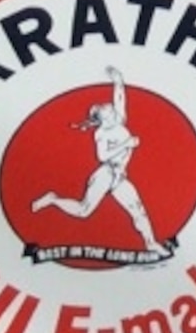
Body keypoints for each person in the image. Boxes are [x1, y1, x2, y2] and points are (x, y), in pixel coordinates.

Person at [31, 67, 162, 251]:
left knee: (137, 209)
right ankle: (53, 199)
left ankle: (151, 243)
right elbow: (102, 156)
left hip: (119, 176)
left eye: (112, 110)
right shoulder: (102, 133)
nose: (112, 112)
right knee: (84, 211)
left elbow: (120, 99)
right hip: (105, 173)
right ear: (102, 119)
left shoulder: (120, 120)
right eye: (108, 113)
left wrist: (118, 82)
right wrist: (126, 143)